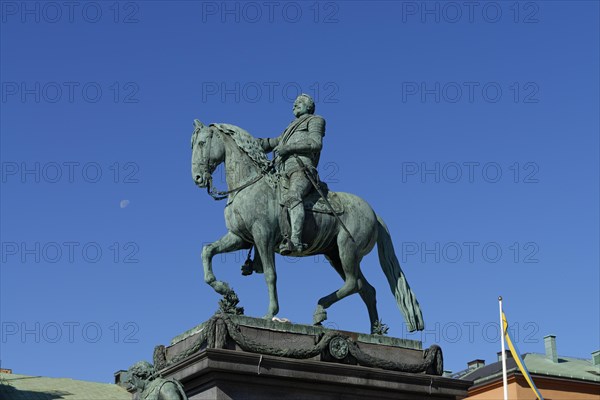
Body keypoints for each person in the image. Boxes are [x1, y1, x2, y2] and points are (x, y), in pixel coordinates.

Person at [258, 94, 326, 255]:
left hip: (302, 169)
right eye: (294, 104)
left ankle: (295, 240)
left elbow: (316, 143)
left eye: (299, 103)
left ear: (308, 106)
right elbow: (273, 142)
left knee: (294, 196)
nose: (294, 105)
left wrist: (288, 148)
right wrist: (248, 140)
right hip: (282, 172)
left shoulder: (316, 120)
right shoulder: (290, 127)